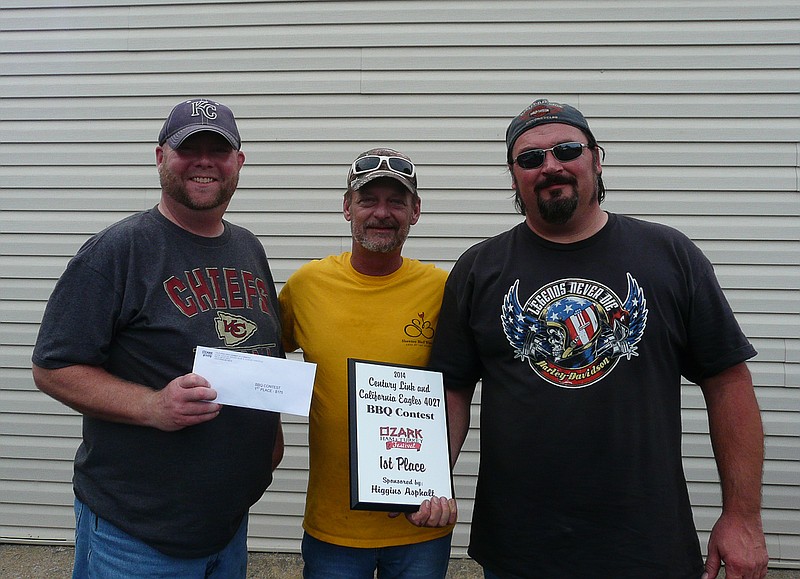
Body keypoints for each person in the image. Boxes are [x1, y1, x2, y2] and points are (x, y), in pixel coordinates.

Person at [429, 99, 768, 579]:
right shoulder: (481, 268)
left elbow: (728, 383)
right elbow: (452, 390)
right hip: (520, 551)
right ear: (514, 176)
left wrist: (744, 518)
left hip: (647, 547)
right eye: (530, 158)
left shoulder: (668, 255)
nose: (550, 166)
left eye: (566, 150)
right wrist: (426, 478)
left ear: (596, 158)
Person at [31, 98, 284, 578]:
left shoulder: (249, 248)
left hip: (226, 525)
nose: (205, 161)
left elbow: (259, 350)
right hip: (138, 534)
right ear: (160, 157)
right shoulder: (117, 251)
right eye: (189, 149)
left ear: (239, 163)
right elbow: (53, 367)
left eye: (219, 149)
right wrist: (152, 406)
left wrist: (270, 440)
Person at [279, 148, 457, 578]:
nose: (382, 213)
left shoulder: (443, 290)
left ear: (416, 211)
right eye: (367, 200)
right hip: (333, 527)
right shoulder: (306, 286)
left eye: (396, 201)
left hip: (420, 524)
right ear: (347, 208)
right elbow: (263, 362)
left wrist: (437, 479)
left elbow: (458, 388)